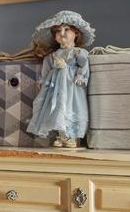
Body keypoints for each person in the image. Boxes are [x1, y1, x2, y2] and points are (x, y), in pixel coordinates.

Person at [26, 10, 94, 147]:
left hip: (71, 86)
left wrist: (80, 75)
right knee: (55, 107)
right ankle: (60, 134)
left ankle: (72, 136)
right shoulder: (53, 55)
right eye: (58, 31)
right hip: (54, 87)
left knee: (70, 107)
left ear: (76, 34)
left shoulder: (78, 52)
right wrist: (42, 81)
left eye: (67, 29)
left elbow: (83, 64)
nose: (62, 33)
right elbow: (47, 69)